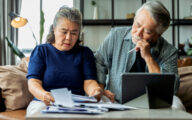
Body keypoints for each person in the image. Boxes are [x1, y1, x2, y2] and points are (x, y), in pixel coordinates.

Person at [95, 1, 183, 109]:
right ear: (134, 19)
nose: (138, 33)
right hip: (115, 99)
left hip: (153, 104)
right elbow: (98, 62)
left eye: (147, 32)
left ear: (158, 35)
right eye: (137, 24)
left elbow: (172, 89)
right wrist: (101, 89)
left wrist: (148, 57)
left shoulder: (169, 51)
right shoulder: (115, 35)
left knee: (176, 104)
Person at [26, 6, 104, 115]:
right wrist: (44, 95)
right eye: (64, 31)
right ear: (54, 29)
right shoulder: (41, 51)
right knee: (37, 113)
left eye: (73, 33)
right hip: (44, 102)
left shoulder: (85, 53)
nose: (68, 38)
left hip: (77, 104)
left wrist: (95, 91)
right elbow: (33, 82)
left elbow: (89, 82)